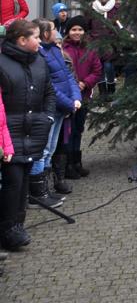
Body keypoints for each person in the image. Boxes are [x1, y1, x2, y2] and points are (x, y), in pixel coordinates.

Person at [0, 20, 55, 250]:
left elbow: (49, 91)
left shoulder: (39, 61)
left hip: (34, 131)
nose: (40, 41)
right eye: (36, 37)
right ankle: (7, 229)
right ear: (22, 40)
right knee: (12, 183)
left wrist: (47, 117)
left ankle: (17, 226)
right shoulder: (2, 63)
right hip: (9, 134)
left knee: (23, 182)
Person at [29, 20, 80, 206]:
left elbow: (68, 76)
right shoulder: (39, 55)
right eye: (52, 29)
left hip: (62, 109)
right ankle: (37, 195)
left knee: (50, 150)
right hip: (51, 108)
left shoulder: (55, 51)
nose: (56, 32)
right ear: (45, 34)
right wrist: (69, 103)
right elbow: (49, 86)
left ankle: (45, 190)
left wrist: (76, 98)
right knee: (42, 151)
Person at [61, 16, 101, 179]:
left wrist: (85, 83)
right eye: (73, 30)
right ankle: (67, 164)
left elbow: (97, 70)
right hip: (68, 96)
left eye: (80, 30)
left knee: (78, 129)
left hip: (84, 95)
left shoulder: (90, 49)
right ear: (68, 31)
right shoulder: (63, 49)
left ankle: (77, 162)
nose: (77, 32)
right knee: (68, 131)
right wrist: (72, 85)